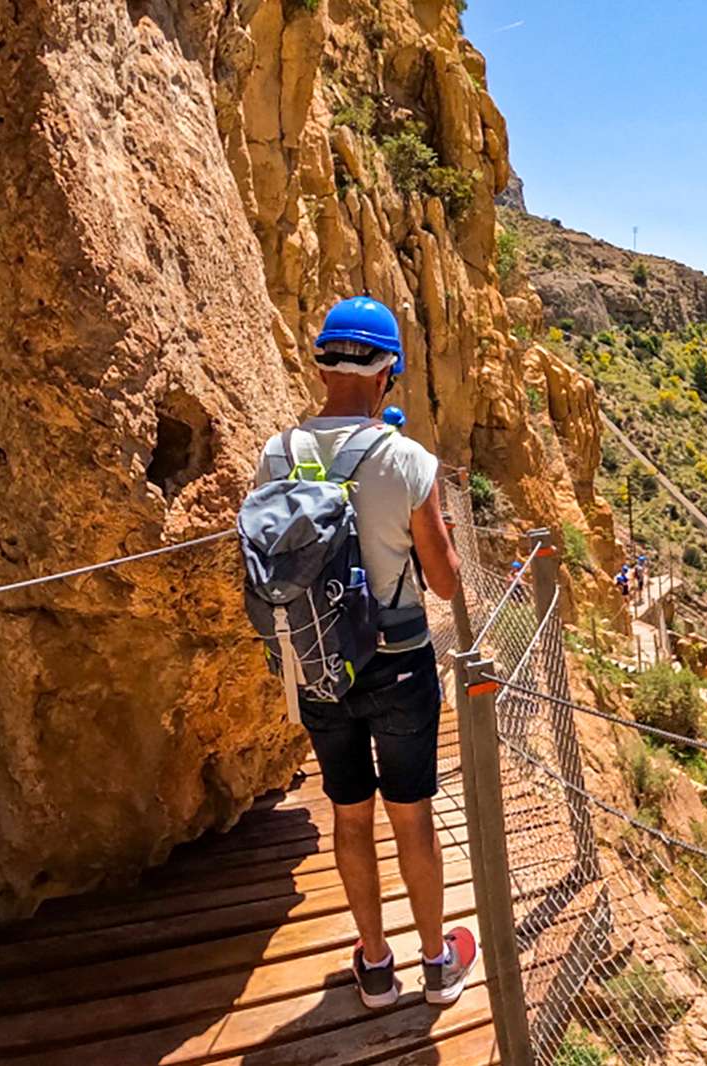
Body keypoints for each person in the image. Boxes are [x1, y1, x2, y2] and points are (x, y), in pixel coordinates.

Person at [253, 296, 477, 1009]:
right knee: (411, 813)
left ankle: (375, 966)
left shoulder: (276, 455)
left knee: (350, 814)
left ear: (321, 365)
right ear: (388, 375)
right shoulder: (407, 459)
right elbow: (442, 581)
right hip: (400, 659)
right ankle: (438, 964)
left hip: (317, 664)